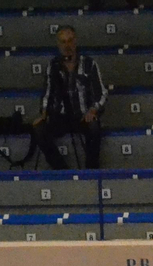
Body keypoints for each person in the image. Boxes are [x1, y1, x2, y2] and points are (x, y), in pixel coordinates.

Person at [35, 27, 107, 170]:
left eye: (70, 41)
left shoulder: (89, 64)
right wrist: (43, 113)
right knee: (38, 129)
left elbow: (101, 93)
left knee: (94, 127)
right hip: (60, 117)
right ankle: (61, 170)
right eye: (63, 42)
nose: (67, 46)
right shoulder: (53, 65)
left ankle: (91, 172)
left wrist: (93, 110)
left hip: (82, 116)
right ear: (58, 44)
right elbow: (47, 92)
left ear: (75, 42)